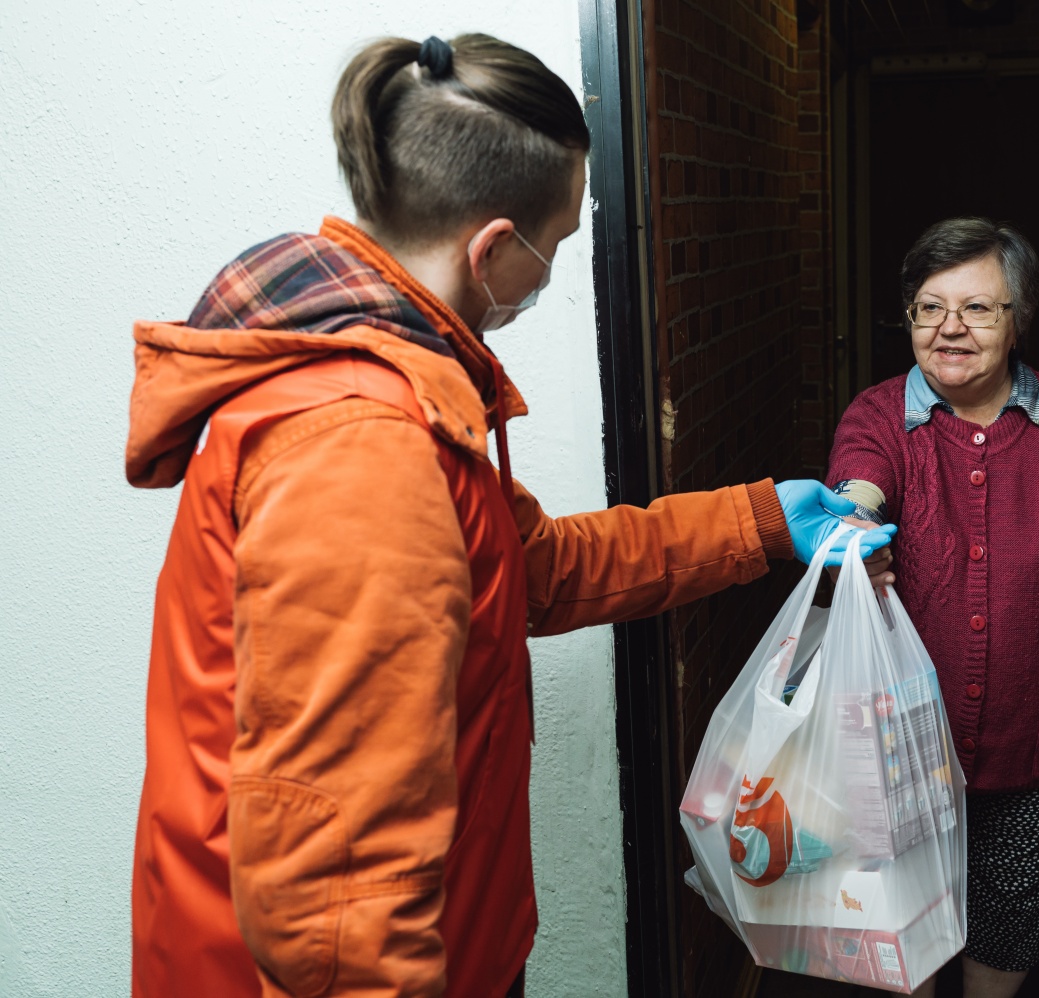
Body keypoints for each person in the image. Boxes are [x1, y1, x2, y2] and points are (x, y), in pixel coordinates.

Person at [124, 33, 893, 998]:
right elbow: (336, 889)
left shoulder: (397, 389)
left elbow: (536, 570)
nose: (547, 273)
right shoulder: (360, 445)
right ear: (491, 249)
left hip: (459, 940)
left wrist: (759, 520)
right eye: (554, 247)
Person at [826, 218, 1039, 998]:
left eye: (976, 309)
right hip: (895, 745)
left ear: (1017, 320)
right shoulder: (878, 416)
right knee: (899, 932)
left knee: (1009, 923)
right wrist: (854, 527)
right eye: (929, 308)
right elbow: (858, 485)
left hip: (1034, 745)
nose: (949, 329)